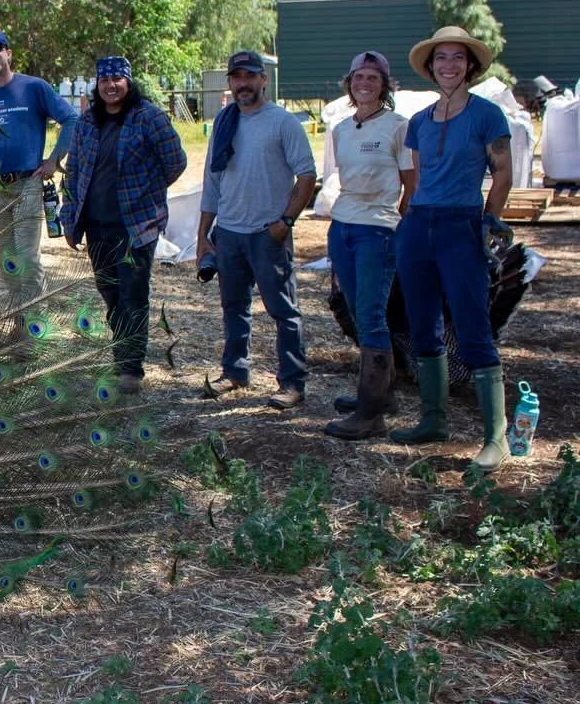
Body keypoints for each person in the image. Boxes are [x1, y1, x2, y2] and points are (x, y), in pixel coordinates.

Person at [391, 26, 514, 472]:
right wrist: (408, 223)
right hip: (418, 224)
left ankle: (495, 437)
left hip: (462, 224)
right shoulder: (419, 122)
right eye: (441, 58)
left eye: (457, 58)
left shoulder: (487, 116)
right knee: (422, 323)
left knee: (471, 322)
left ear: (470, 66)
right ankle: (433, 421)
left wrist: (490, 218)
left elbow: (502, 172)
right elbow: (419, 179)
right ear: (430, 66)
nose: (448, 65)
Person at [196, 51, 317, 410]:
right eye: (236, 77)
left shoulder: (282, 122)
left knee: (283, 309)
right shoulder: (224, 121)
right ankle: (235, 372)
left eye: (250, 76)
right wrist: (204, 233)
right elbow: (212, 179)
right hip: (229, 232)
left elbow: (307, 175)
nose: (243, 84)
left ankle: (292, 382)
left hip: (268, 233)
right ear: (230, 82)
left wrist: (286, 222)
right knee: (234, 306)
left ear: (263, 79)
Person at [60, 56, 186, 394]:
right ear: (97, 85)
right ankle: (122, 356)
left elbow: (176, 162)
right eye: (104, 80)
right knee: (112, 294)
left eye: (117, 79)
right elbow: (73, 172)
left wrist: (148, 193)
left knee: (133, 295)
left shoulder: (149, 118)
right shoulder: (87, 121)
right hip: (97, 226)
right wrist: (69, 218)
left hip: (137, 226)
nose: (111, 85)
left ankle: (130, 369)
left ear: (128, 82)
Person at [323, 51, 416, 440]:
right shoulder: (341, 128)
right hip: (342, 225)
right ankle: (384, 393)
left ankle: (370, 412)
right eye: (358, 77)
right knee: (358, 311)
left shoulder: (399, 126)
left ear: (384, 85)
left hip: (377, 229)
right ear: (349, 83)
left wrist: (400, 226)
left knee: (372, 312)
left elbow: (412, 185)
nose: (364, 83)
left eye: (372, 78)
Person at [0, 28, 78, 312]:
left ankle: (34, 327)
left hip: (27, 183)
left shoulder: (34, 87)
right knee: (6, 258)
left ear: (9, 53)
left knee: (27, 257)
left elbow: (71, 119)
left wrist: (54, 160)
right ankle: (21, 318)